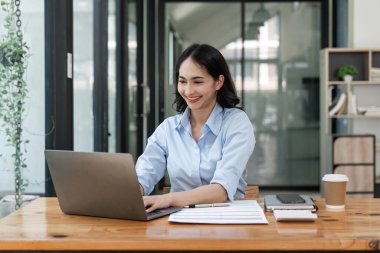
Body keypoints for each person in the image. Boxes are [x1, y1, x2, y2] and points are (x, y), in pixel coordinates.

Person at [136, 44, 255, 213]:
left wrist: (169, 198)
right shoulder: (168, 129)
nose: (188, 90)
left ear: (218, 82)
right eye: (182, 81)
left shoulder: (236, 123)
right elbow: (144, 174)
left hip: (227, 220)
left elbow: (221, 189)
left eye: (197, 81)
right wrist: (134, 192)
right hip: (177, 220)